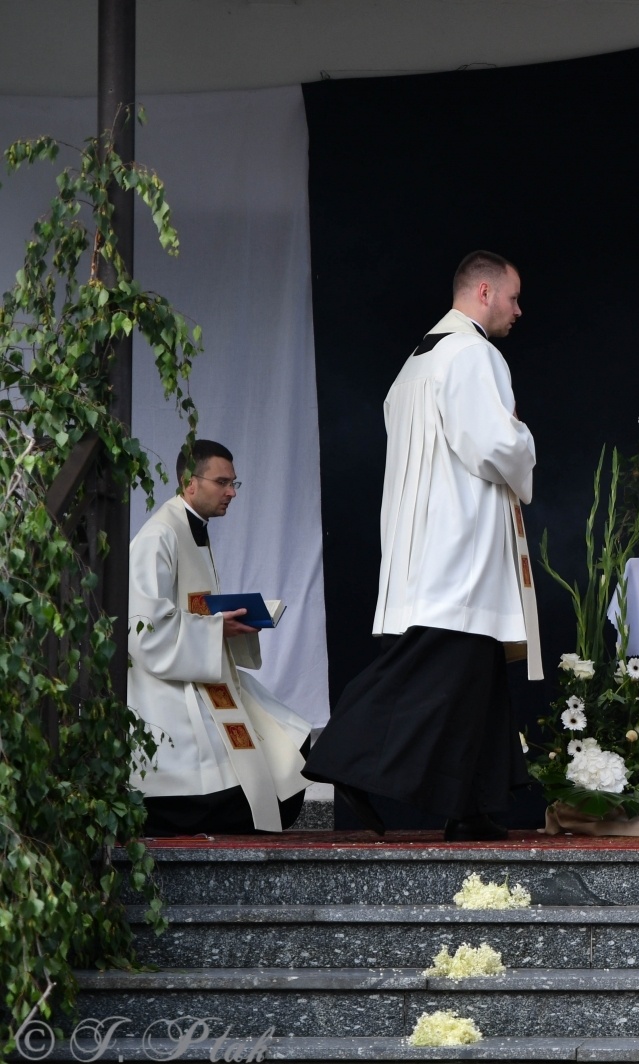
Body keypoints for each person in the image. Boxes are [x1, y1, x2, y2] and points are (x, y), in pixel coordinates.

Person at [304, 250, 541, 841]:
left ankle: (472, 808)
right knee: (434, 666)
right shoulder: (473, 353)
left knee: (474, 676)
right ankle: (342, 755)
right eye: (513, 297)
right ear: (483, 292)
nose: (519, 310)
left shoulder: (417, 360)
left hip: (424, 536)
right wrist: (525, 436)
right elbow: (492, 444)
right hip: (460, 544)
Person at [128, 439, 312, 835]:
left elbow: (192, 608)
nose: (231, 492)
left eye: (234, 483)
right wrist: (216, 628)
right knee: (221, 774)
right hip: (171, 684)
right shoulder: (157, 537)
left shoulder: (194, 530)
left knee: (290, 737)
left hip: (201, 668)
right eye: (223, 482)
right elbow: (143, 628)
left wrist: (231, 621)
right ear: (188, 482)